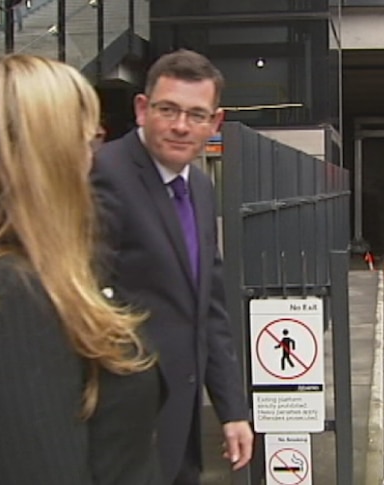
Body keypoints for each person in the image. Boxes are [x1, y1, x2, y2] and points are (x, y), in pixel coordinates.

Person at [0, 54, 165, 485]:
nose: (92, 161)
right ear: (48, 157)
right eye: (86, 142)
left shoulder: (40, 276)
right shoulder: (2, 296)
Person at [91, 49, 253, 485]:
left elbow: (208, 308)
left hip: (180, 423)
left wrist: (232, 409)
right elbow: (85, 304)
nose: (182, 126)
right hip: (125, 429)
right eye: (168, 110)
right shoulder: (103, 175)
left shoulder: (198, 185)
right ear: (142, 109)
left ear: (215, 123)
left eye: (197, 115)